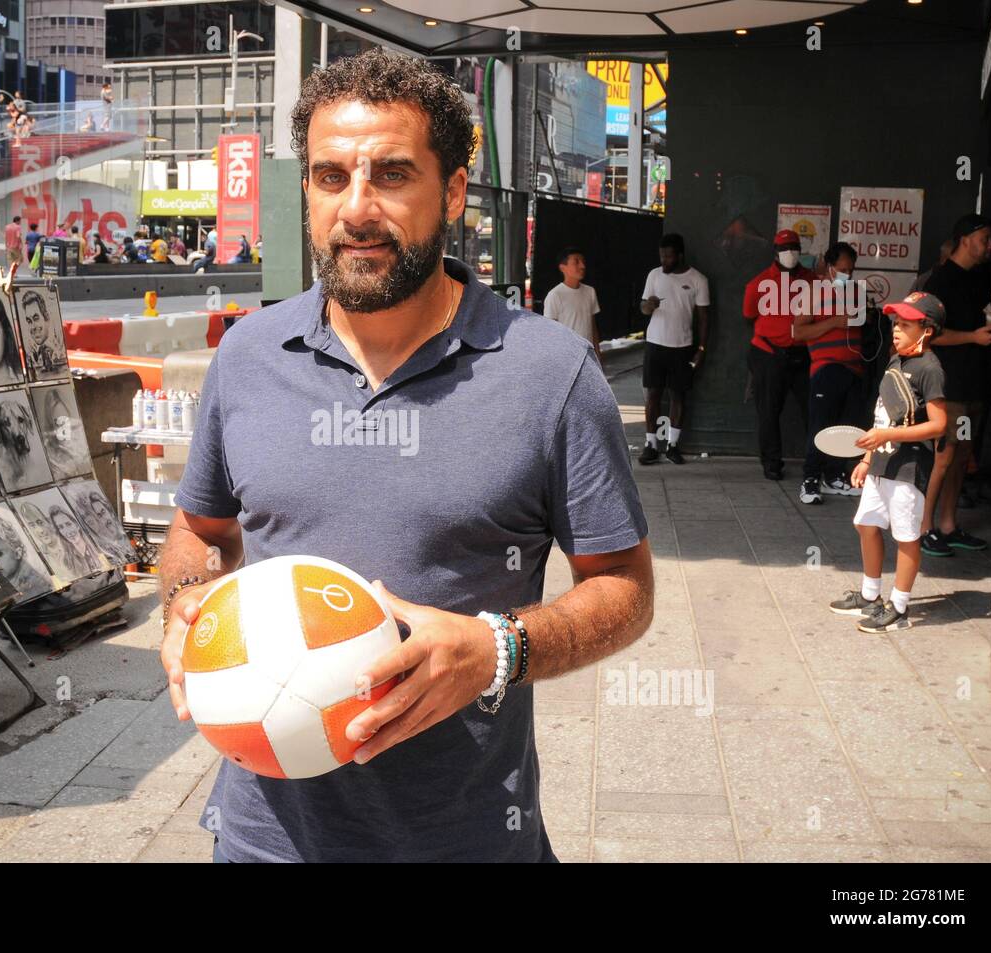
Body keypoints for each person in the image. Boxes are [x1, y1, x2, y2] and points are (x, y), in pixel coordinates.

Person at [158, 48, 652, 864]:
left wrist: (497, 648)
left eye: (391, 174)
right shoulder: (247, 356)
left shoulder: (550, 373)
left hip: (467, 839)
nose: (357, 209)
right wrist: (186, 603)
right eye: (329, 176)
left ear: (453, 191)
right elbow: (200, 529)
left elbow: (625, 589)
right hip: (264, 839)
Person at [829, 292, 948, 632]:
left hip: (909, 469)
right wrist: (868, 457)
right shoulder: (896, 361)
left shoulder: (930, 369)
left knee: (906, 537)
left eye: (906, 325)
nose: (896, 330)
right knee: (865, 525)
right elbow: (883, 416)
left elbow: (939, 425)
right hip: (881, 464)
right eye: (896, 323)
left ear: (927, 330)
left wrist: (887, 438)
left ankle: (898, 607)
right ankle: (870, 596)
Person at [920, 214, 991, 556]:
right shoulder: (940, 281)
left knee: (962, 456)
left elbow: (984, 320)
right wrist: (974, 336)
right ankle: (924, 527)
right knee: (943, 457)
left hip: (974, 388)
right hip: (949, 388)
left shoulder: (982, 277)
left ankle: (948, 525)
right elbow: (929, 334)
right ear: (965, 238)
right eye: (985, 238)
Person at [791, 242, 866, 504]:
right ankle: (810, 479)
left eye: (851, 270)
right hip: (826, 367)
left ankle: (835, 476)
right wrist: (835, 321)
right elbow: (797, 331)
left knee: (847, 427)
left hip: (854, 367)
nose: (847, 274)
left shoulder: (857, 292)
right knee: (821, 426)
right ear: (829, 267)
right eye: (842, 269)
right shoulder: (813, 292)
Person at [744, 228, 816, 480]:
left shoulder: (812, 280)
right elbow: (749, 314)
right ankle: (771, 462)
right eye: (784, 249)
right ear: (775, 252)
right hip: (768, 353)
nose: (790, 253)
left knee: (813, 410)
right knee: (768, 411)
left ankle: (815, 463)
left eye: (794, 248)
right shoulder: (760, 282)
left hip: (803, 354)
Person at [637, 233, 710, 465]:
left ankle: (673, 446)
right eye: (661, 256)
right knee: (653, 395)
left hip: (682, 347)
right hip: (655, 344)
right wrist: (649, 306)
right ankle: (650, 445)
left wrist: (701, 348)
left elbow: (704, 319)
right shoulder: (654, 275)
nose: (664, 261)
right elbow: (643, 308)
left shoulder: (698, 279)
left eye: (668, 257)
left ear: (679, 255)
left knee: (678, 396)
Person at [543, 246, 602, 371]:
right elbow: (550, 332)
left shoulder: (590, 291)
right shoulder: (555, 295)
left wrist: (597, 354)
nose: (582, 266)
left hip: (588, 356)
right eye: (576, 262)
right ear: (563, 267)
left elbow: (592, 327)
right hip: (566, 358)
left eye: (583, 262)